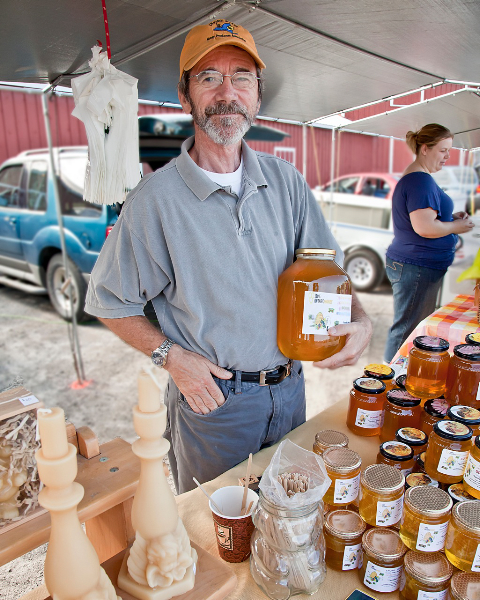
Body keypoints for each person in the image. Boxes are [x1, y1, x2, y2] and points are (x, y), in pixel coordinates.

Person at [85, 19, 372, 494]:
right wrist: (171, 358)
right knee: (217, 536)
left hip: (290, 390)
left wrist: (360, 321)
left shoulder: (286, 182)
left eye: (242, 77)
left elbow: (331, 275)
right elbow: (110, 301)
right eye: (208, 77)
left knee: (288, 517)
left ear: (257, 96)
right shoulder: (154, 201)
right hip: (215, 402)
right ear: (185, 97)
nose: (227, 92)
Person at [384, 123, 475, 363]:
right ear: (425, 148)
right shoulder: (419, 181)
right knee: (408, 328)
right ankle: (390, 375)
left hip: (418, 265)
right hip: (416, 266)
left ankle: (396, 371)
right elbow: (424, 227)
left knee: (411, 323)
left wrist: (449, 219)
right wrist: (456, 227)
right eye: (444, 150)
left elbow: (428, 219)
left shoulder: (420, 179)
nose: (448, 156)